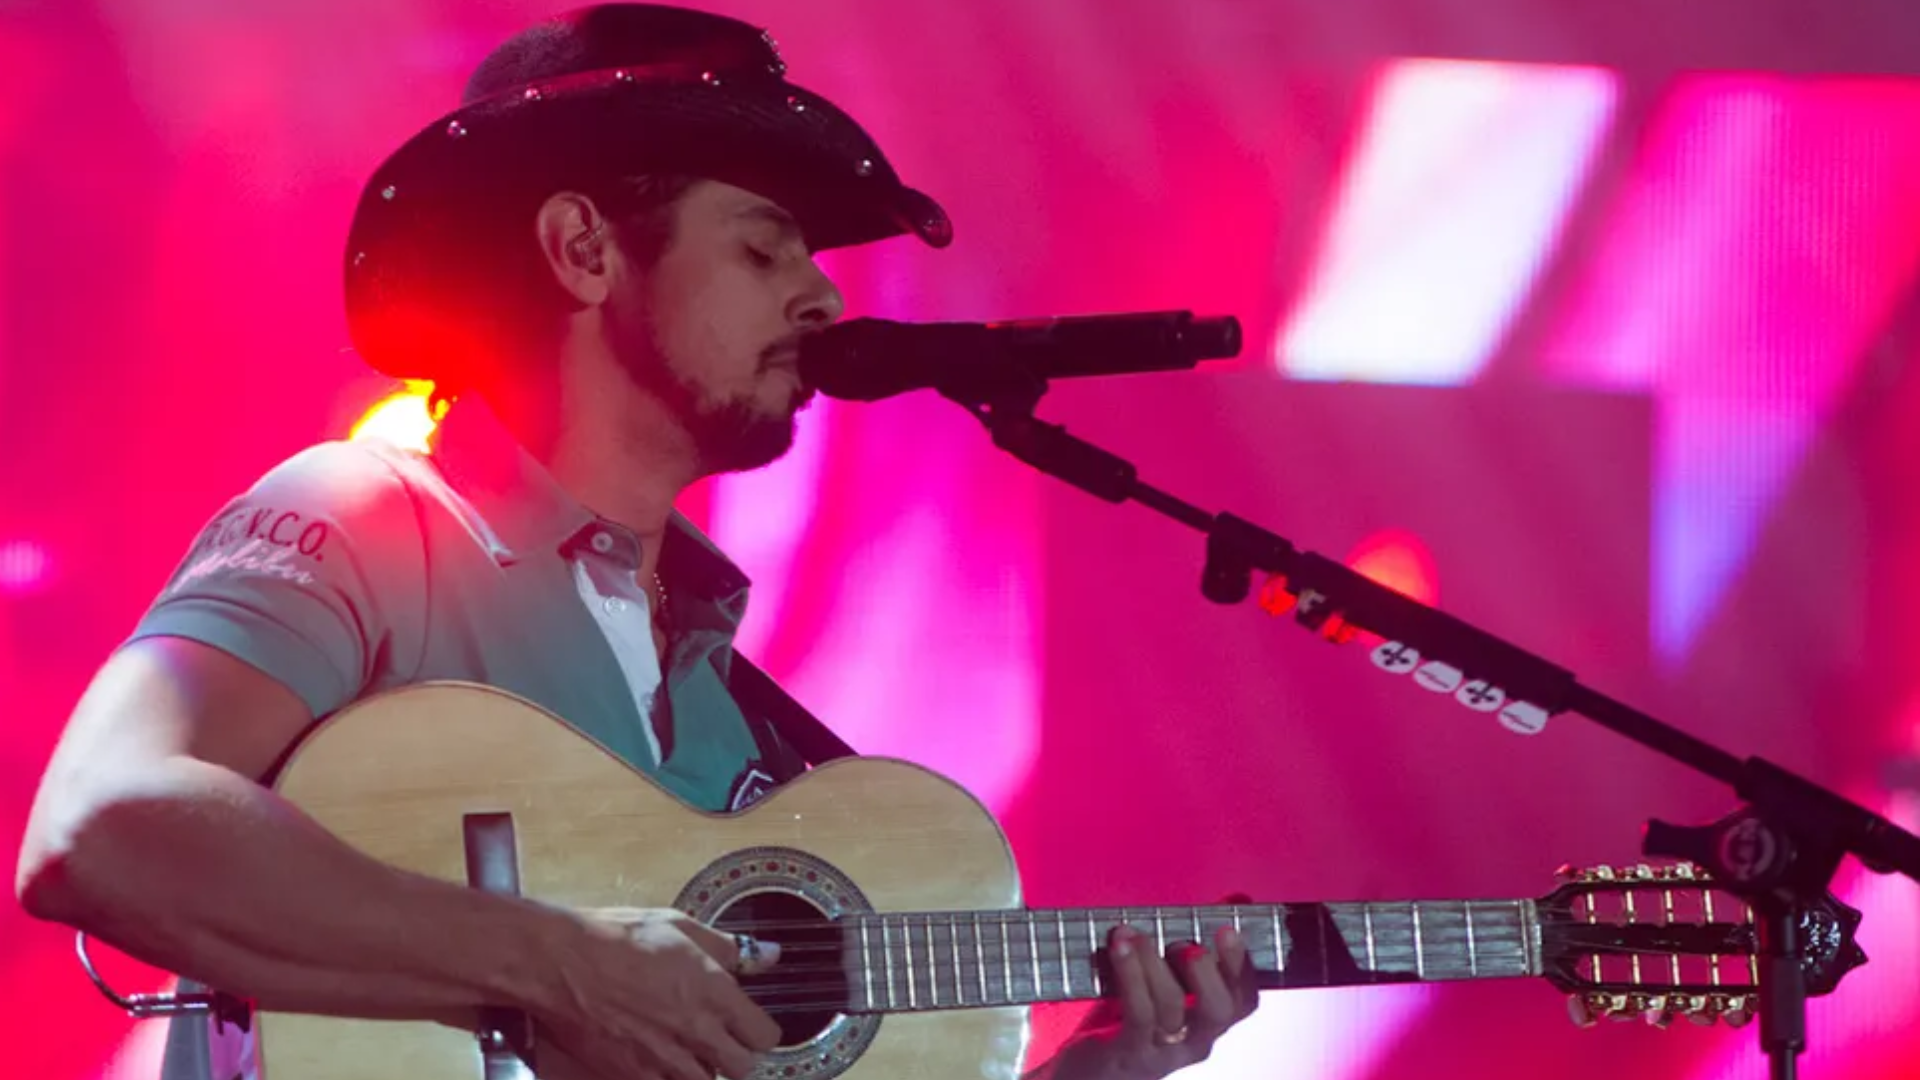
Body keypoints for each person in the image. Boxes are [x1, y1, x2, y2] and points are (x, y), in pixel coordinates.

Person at [13, 6, 1258, 1080]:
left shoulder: (726, 709)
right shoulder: (372, 518)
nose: (822, 297)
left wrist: (1100, 1060)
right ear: (583, 249)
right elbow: (103, 823)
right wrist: (567, 965)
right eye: (767, 245)